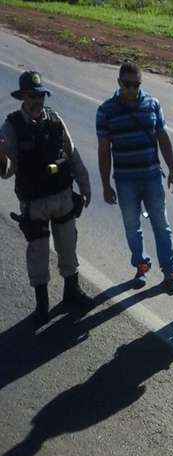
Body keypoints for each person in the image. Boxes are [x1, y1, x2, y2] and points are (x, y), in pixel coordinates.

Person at [0, 70, 92, 325]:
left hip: (62, 196)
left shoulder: (54, 120)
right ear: (23, 97)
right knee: (38, 253)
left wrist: (85, 186)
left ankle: (71, 291)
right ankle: (42, 305)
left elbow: (72, 155)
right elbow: (7, 172)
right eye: (31, 96)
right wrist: (2, 157)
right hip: (34, 203)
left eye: (39, 95)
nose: (36, 100)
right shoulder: (11, 127)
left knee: (68, 246)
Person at [96, 61, 173, 293]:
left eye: (136, 84)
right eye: (127, 84)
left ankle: (170, 271)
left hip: (152, 177)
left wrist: (172, 170)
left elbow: (163, 137)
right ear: (119, 83)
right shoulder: (106, 111)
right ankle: (141, 265)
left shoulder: (152, 104)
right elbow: (104, 150)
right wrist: (105, 184)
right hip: (125, 182)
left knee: (161, 226)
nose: (132, 89)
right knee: (132, 227)